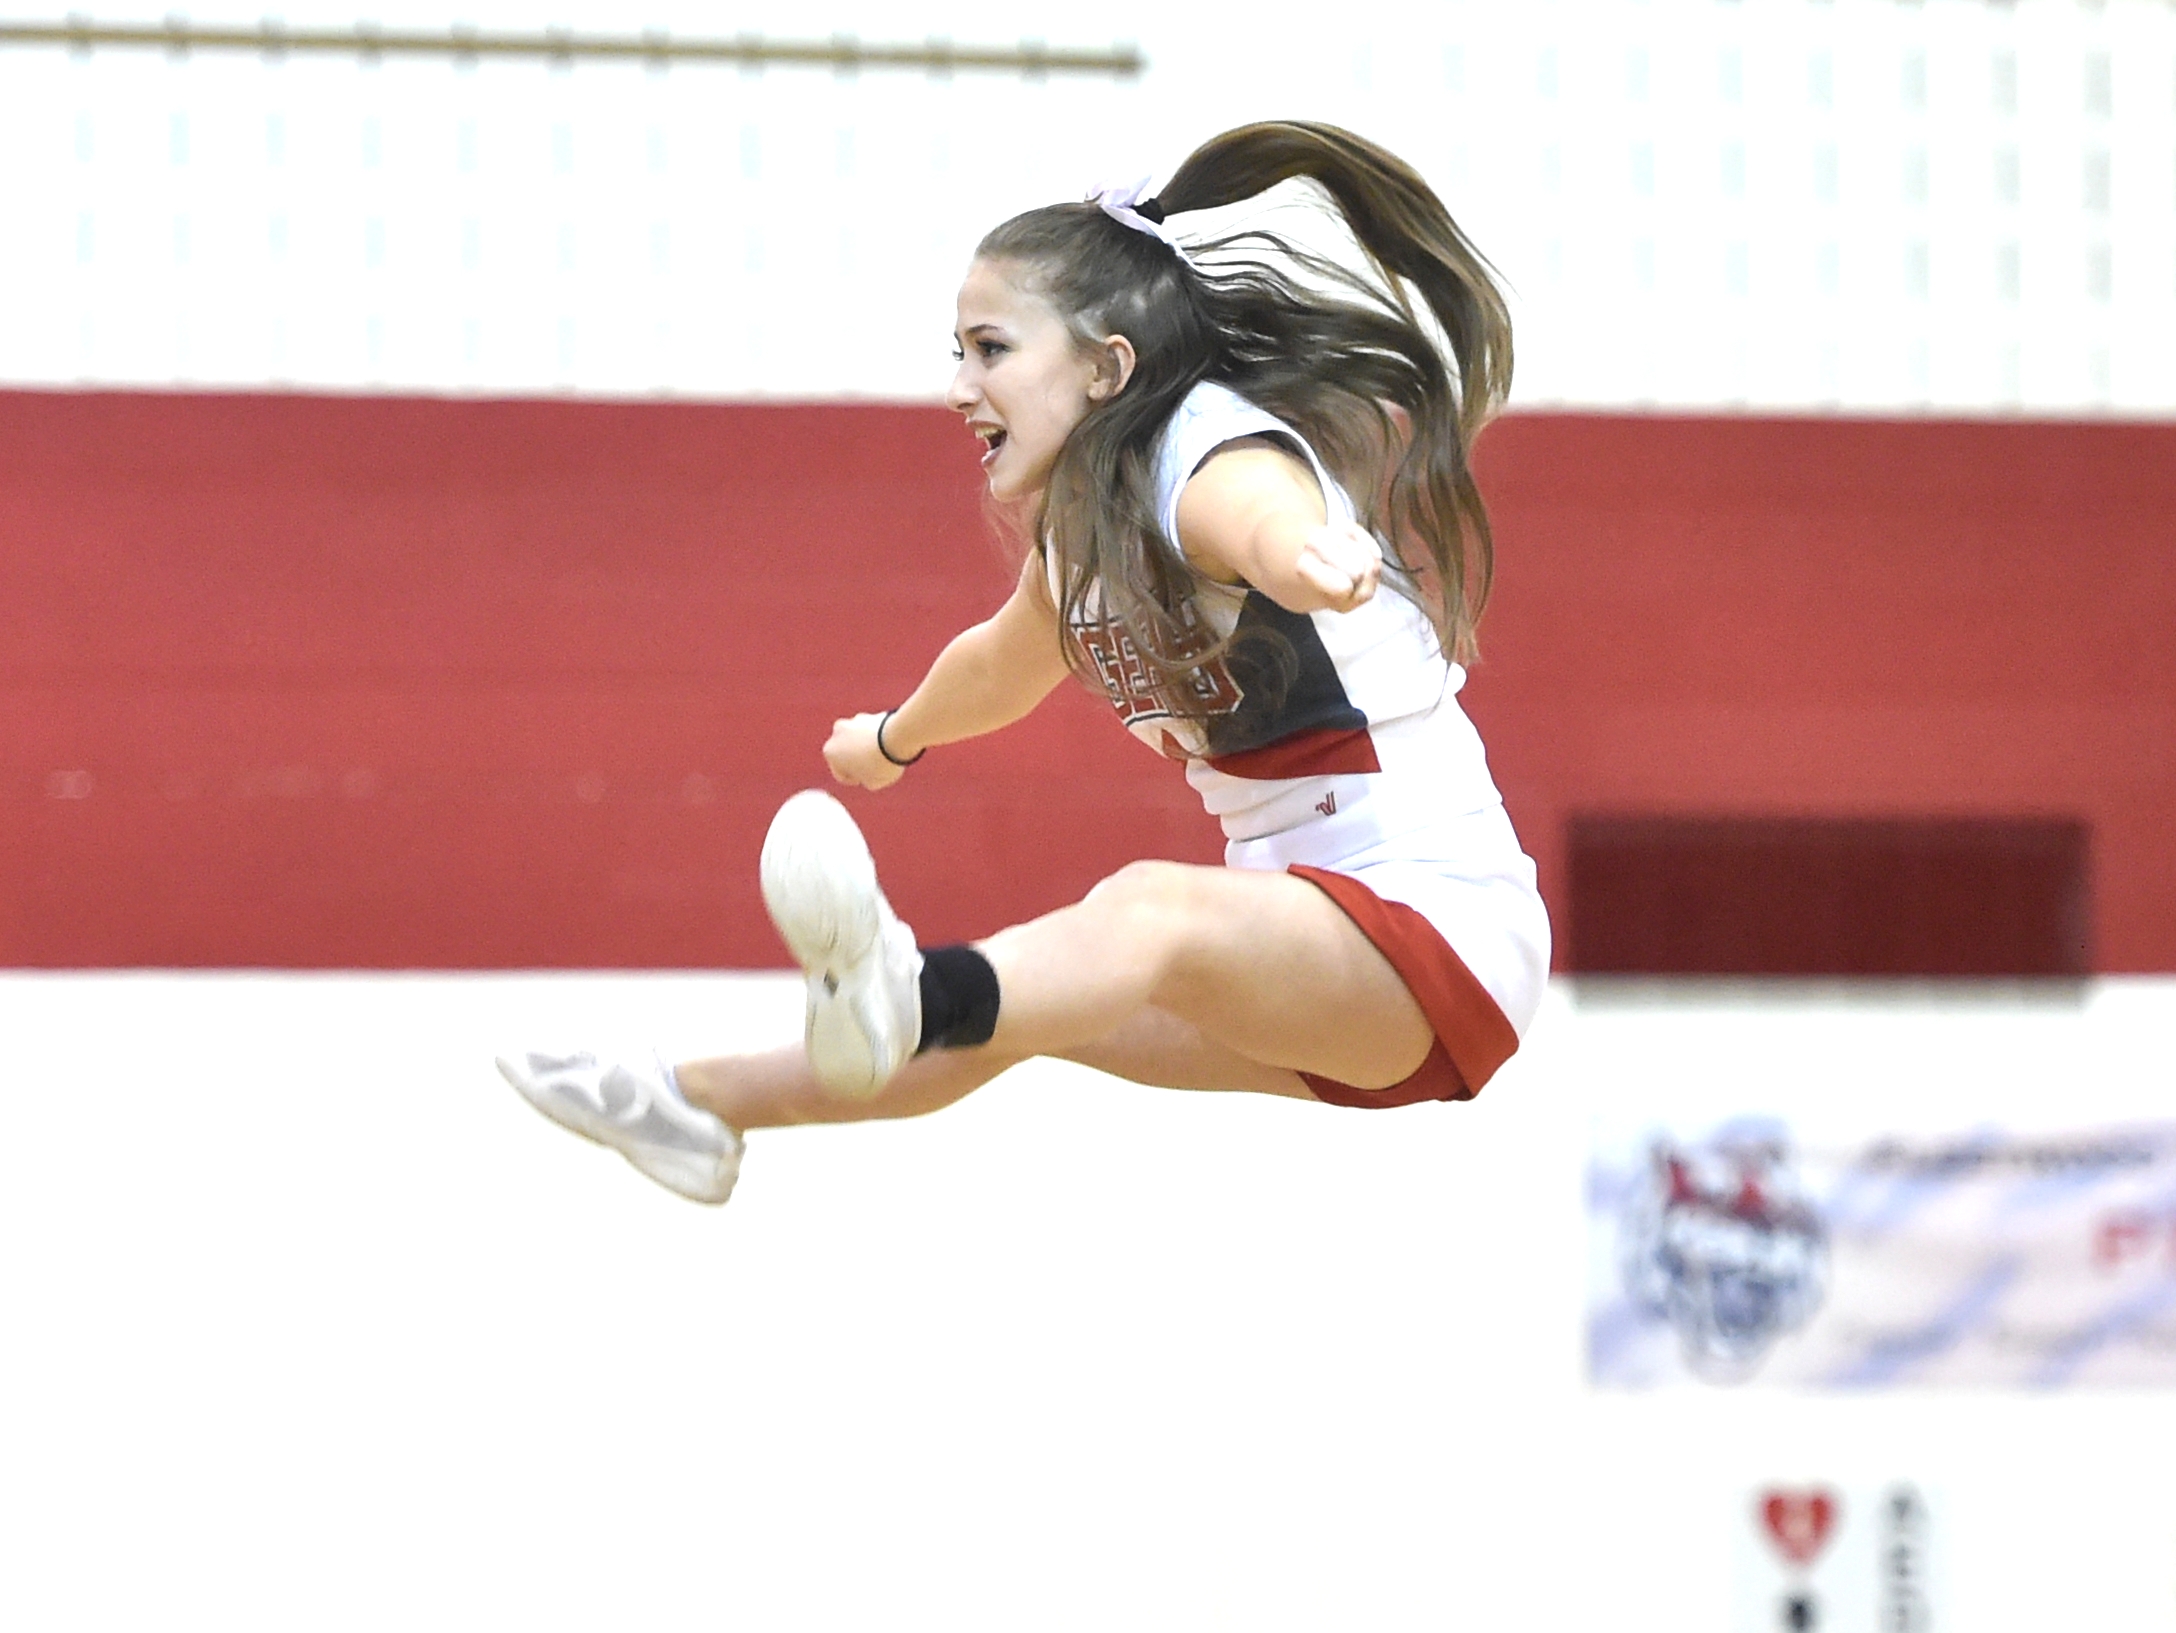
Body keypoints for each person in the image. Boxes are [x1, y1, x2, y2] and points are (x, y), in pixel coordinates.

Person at [499, 121, 1551, 1206]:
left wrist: (1305, 557)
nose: (959, 388)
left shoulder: (1203, 452)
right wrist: (892, 738)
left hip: (1431, 925)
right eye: (955, 353)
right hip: (1303, 936)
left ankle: (911, 989)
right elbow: (997, 664)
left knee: (1140, 914)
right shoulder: (1084, 541)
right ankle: (692, 1104)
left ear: (1108, 366)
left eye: (990, 350)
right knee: (1021, 1008)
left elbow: (1256, 514)